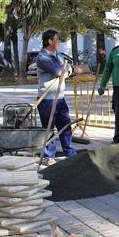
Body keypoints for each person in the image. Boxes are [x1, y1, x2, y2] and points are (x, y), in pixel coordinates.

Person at [36, 29, 76, 165]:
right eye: (57, 40)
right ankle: (48, 156)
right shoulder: (42, 58)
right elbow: (58, 71)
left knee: (65, 126)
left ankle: (69, 152)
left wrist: (66, 71)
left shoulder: (57, 55)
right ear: (49, 41)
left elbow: (68, 67)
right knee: (49, 128)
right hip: (47, 99)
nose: (59, 42)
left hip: (60, 98)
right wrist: (64, 71)